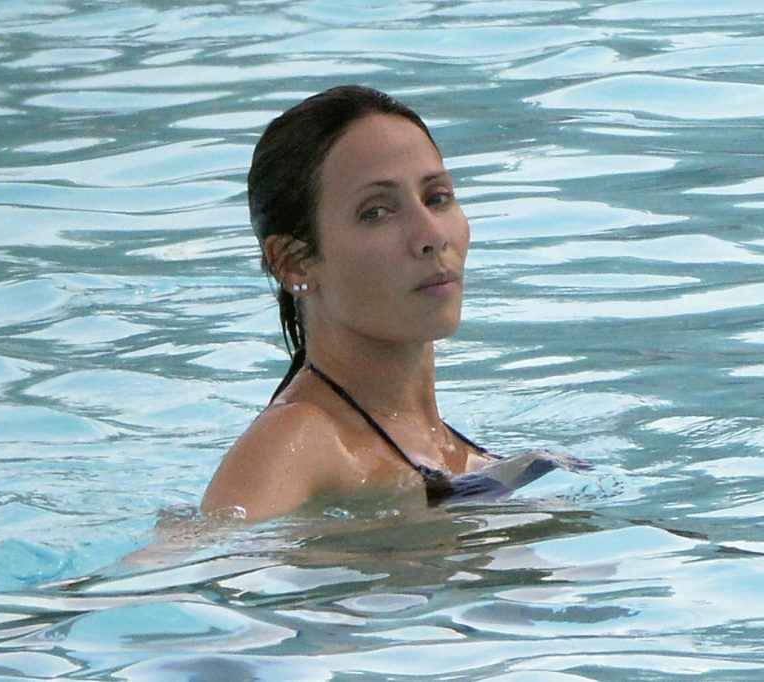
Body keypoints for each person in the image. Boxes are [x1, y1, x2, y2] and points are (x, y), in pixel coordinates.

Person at [201, 86, 575, 523]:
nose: (432, 235)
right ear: (294, 263)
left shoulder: (452, 453)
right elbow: (192, 554)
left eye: (436, 198)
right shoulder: (301, 440)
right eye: (376, 212)